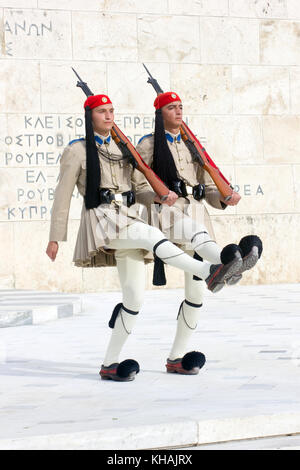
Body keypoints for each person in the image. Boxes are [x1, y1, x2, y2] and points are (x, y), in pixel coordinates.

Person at [134, 91, 263, 375]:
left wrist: (224, 197)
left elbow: (208, 183)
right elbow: (137, 185)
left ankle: (176, 358)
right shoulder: (148, 144)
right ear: (160, 114)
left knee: (196, 296)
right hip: (168, 215)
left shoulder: (192, 144)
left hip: (196, 213)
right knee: (197, 240)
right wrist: (157, 198)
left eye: (180, 107)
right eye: (171, 108)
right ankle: (226, 263)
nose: (178, 112)